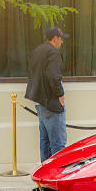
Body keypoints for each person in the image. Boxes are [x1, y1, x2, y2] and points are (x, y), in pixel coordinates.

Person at [25, 27, 68, 162]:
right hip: (50, 101)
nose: (62, 42)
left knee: (45, 141)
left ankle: (44, 177)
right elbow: (53, 76)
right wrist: (60, 95)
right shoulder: (53, 53)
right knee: (58, 142)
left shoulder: (37, 51)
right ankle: (55, 177)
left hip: (38, 100)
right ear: (55, 39)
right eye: (61, 39)